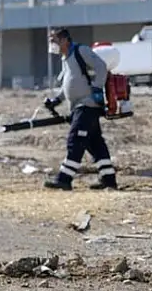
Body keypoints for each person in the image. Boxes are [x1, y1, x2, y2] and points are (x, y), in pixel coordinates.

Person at [42, 28, 118, 191]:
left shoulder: (80, 51)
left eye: (54, 40)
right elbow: (68, 84)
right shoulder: (65, 58)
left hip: (87, 105)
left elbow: (101, 67)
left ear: (64, 40)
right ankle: (109, 179)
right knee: (95, 143)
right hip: (78, 107)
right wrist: (56, 100)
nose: (51, 44)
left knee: (75, 140)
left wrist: (97, 88)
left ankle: (64, 179)